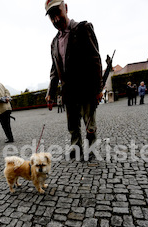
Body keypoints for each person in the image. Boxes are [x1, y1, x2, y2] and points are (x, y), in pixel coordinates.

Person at [45, 0, 103, 160]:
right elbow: (54, 70)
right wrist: (50, 92)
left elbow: (95, 58)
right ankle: (75, 146)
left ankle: (91, 148)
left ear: (66, 8)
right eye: (51, 16)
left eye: (58, 12)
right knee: (72, 124)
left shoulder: (83, 28)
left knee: (89, 123)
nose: (56, 18)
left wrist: (99, 89)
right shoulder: (54, 42)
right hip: (68, 92)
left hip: (86, 88)